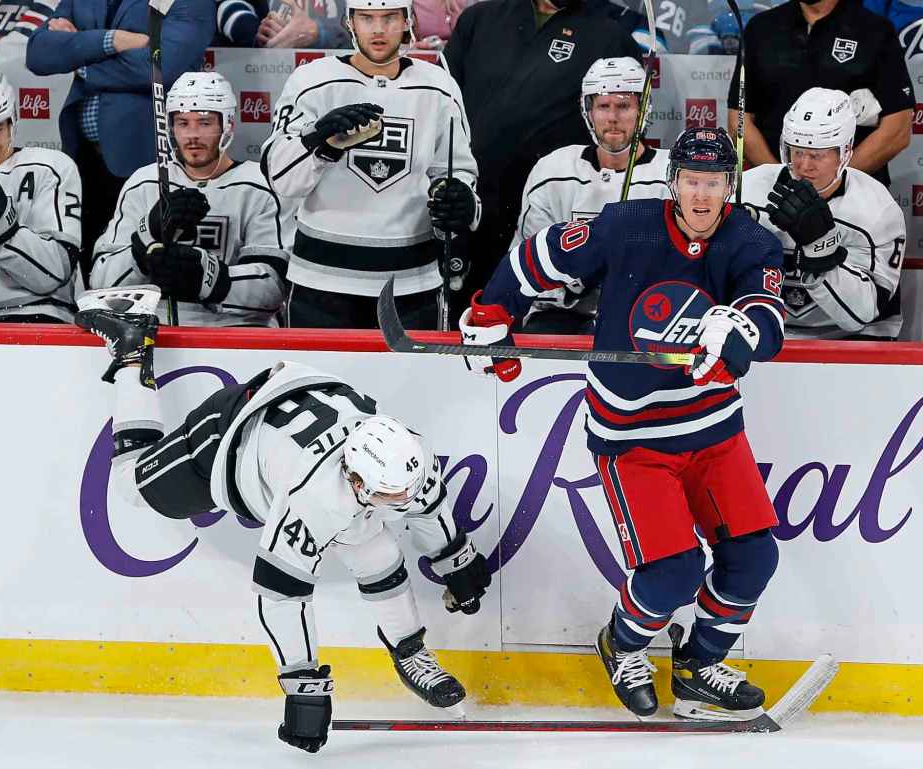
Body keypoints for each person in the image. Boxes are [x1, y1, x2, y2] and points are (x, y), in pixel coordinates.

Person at [74, 283, 492, 753]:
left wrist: (457, 564)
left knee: (376, 550)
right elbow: (280, 596)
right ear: (357, 481)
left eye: (406, 491)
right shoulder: (314, 499)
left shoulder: (408, 460)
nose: (404, 500)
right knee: (131, 485)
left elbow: (428, 508)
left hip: (299, 405)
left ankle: (410, 652)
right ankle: (131, 350)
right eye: (390, 495)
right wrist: (302, 684)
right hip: (227, 437)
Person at [460, 127, 785, 721]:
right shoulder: (626, 225)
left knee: (754, 558)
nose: (702, 196)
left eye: (714, 183)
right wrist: (494, 311)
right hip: (634, 438)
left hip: (714, 432)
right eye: (692, 181)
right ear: (673, 182)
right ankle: (624, 644)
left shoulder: (750, 240)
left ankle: (699, 666)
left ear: (730, 186)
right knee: (673, 572)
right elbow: (540, 258)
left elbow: (766, 316)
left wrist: (740, 331)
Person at [262, 0, 479, 329]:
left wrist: (458, 198)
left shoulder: (439, 86)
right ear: (350, 22)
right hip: (320, 283)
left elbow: (457, 171)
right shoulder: (311, 80)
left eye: (389, 17)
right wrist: (319, 141)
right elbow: (281, 179)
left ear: (407, 20)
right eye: (367, 18)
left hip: (412, 285)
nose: (378, 29)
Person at [443, 0, 641, 319]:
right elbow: (441, 103)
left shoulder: (610, 35)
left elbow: (622, 133)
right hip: (475, 206)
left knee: (534, 320)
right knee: (467, 318)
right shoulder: (480, 19)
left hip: (551, 213)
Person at [24, 0, 215, 280]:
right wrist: (113, 40)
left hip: (148, 159)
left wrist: (81, 62)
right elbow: (38, 53)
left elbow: (161, 65)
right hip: (83, 160)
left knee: (146, 267)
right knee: (87, 271)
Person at [90, 72, 292, 327]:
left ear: (228, 124)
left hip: (233, 329)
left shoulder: (260, 185)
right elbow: (101, 281)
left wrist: (206, 276)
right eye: (183, 123)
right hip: (154, 327)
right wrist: (146, 238)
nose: (192, 135)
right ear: (170, 127)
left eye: (205, 123)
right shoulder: (144, 182)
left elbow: (273, 289)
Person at [510, 56, 670, 333]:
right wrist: (575, 280)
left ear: (643, 110)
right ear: (588, 111)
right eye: (603, 106)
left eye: (624, 106)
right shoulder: (553, 171)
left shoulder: (672, 174)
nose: (612, 117)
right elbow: (527, 261)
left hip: (646, 315)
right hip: (564, 315)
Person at [741, 87, 905, 339]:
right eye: (797, 152)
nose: (804, 166)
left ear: (845, 152)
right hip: (768, 330)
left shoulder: (877, 210)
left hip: (852, 337)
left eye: (817, 155)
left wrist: (820, 250)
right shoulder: (748, 190)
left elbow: (863, 314)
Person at [727, 0, 915, 187]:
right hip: (772, 193)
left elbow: (898, 128)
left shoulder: (875, 31)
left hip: (853, 194)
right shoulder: (761, 28)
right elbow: (739, 120)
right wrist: (779, 180)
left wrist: (834, 183)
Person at [0, 67, 81, 323]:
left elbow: (54, 274)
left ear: (12, 123)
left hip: (37, 315)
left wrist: (4, 226)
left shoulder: (50, 167)